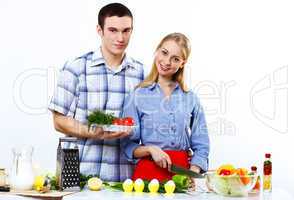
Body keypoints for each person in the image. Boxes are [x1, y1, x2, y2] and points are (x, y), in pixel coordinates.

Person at [48, 3, 144, 182]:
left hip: (123, 179)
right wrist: (93, 132)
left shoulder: (141, 73)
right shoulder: (76, 67)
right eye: (113, 30)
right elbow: (58, 121)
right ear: (99, 30)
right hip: (78, 175)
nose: (120, 38)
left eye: (126, 31)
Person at [121, 33, 209, 182]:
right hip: (148, 173)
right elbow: (128, 145)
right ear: (157, 51)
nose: (167, 62)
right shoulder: (137, 96)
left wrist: (193, 171)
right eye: (164, 53)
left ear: (182, 63)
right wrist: (150, 149)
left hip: (181, 175)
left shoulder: (190, 98)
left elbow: (202, 143)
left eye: (175, 59)